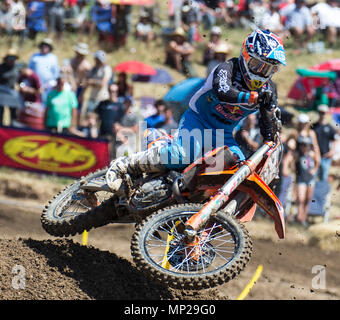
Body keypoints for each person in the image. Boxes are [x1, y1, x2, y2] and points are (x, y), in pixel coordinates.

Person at [105, 29, 286, 193]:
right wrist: (252, 98)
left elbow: (268, 128)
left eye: (269, 68)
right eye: (258, 65)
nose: (262, 72)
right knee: (182, 155)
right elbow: (223, 91)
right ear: (246, 56)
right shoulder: (228, 68)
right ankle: (126, 164)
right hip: (198, 121)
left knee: (239, 174)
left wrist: (272, 136)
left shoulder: (268, 89)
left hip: (224, 134)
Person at [295, 135, 318, 227]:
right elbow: (292, 163)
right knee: (301, 199)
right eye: (303, 145)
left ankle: (303, 219)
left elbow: (318, 162)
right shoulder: (298, 154)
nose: (304, 147)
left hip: (310, 179)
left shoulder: (312, 154)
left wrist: (315, 170)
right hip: (301, 178)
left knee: (308, 199)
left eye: (306, 145)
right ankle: (299, 218)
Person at [312, 104, 339, 182]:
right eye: (320, 112)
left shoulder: (330, 127)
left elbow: (335, 139)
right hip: (314, 156)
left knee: (323, 178)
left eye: (323, 113)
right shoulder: (314, 126)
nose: (322, 114)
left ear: (326, 113)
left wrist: (332, 151)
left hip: (325, 156)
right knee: (313, 178)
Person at [84, 50, 112, 114]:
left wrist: (92, 82)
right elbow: (87, 81)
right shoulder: (94, 69)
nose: (95, 60)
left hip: (102, 98)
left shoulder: (106, 69)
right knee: (88, 117)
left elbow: (102, 83)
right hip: (92, 98)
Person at [0, 48, 20, 125]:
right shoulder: (1, 68)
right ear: (6, 58)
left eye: (14, 58)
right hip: (1, 94)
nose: (12, 60)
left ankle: (13, 130)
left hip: (12, 94)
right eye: (10, 57)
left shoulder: (17, 68)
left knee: (13, 115)